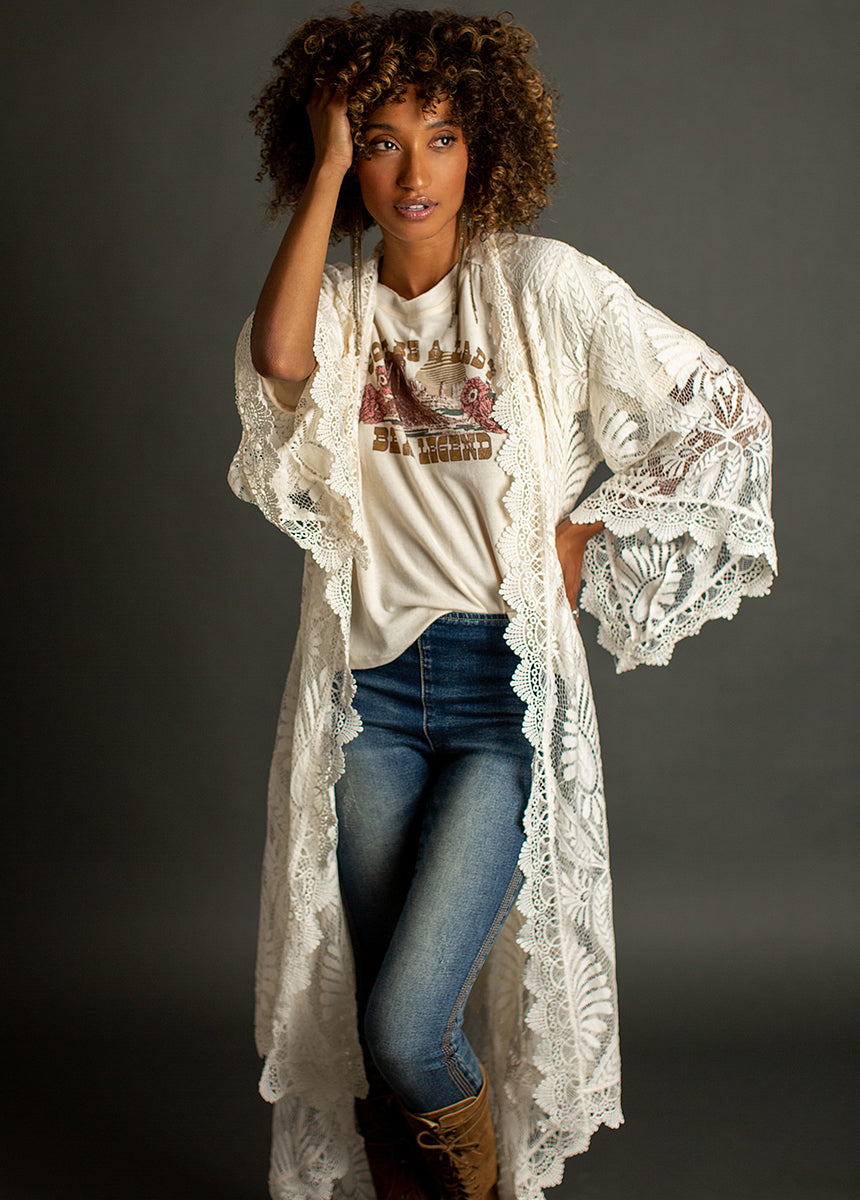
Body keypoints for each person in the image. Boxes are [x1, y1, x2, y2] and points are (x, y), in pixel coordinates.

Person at [228, 6, 776, 1199]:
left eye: (439, 136)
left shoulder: (539, 286)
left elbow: (719, 416)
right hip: (367, 701)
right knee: (376, 1029)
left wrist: (585, 529)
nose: (411, 172)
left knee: (408, 1026)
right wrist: (322, 170)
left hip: (498, 701)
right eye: (380, 142)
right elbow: (278, 363)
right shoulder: (340, 305)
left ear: (482, 146)